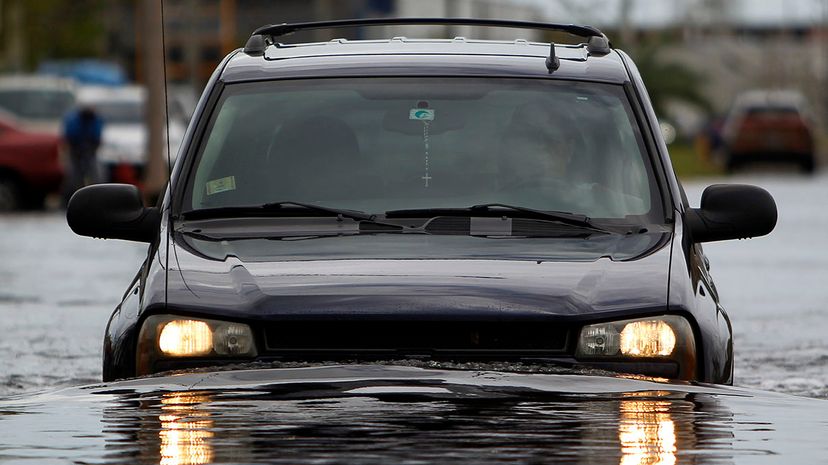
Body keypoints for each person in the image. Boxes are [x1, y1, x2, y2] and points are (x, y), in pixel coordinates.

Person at [62, 105, 104, 205]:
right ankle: (71, 196)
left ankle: (94, 195)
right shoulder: (74, 120)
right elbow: (70, 135)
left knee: (93, 174)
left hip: (89, 149)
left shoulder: (95, 120)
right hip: (76, 149)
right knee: (75, 175)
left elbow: (97, 135)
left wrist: (93, 147)